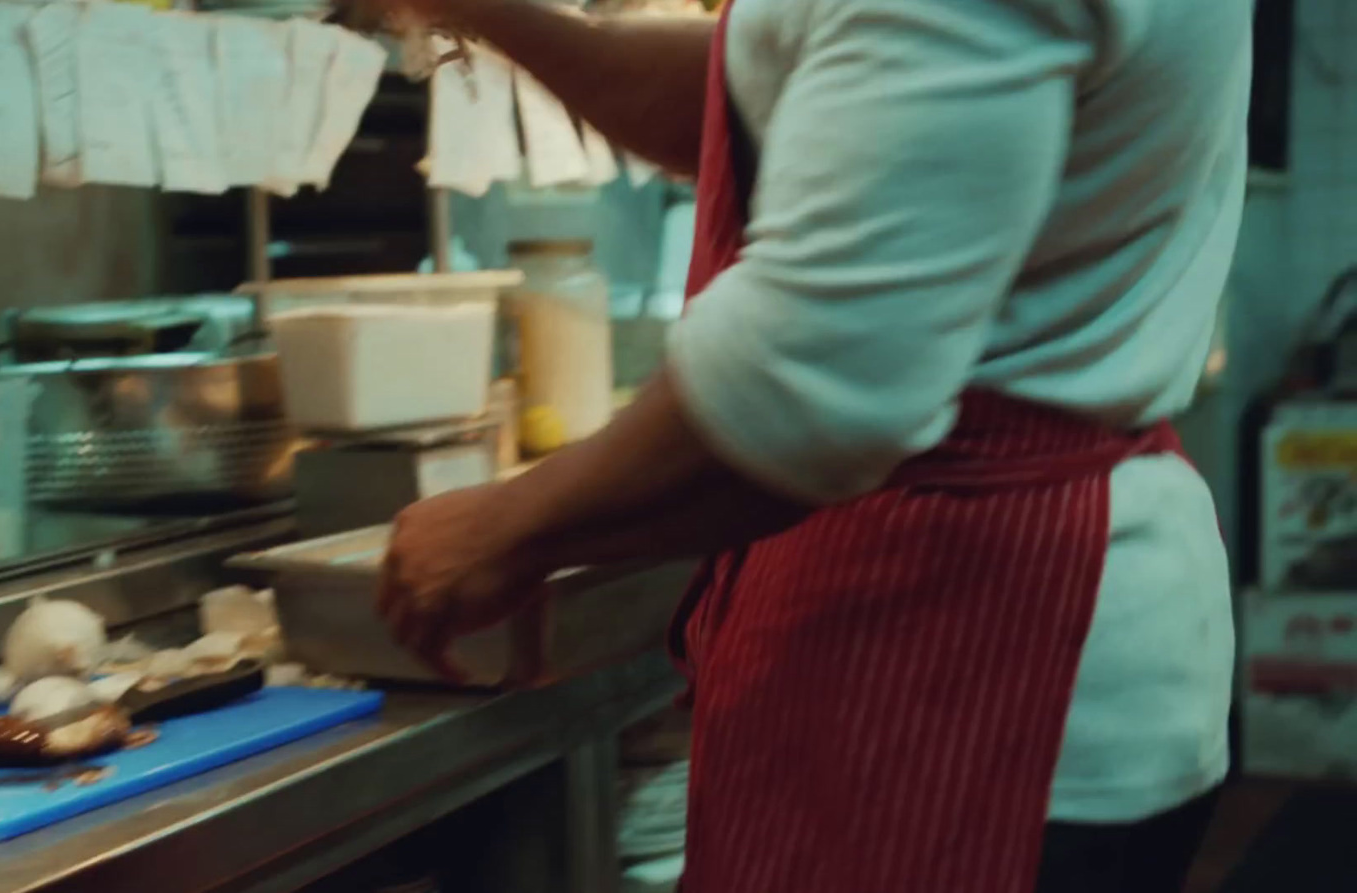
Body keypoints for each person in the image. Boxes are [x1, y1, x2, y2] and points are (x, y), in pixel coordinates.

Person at [374, 0, 1248, 890]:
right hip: (1020, 628)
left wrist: (510, 526)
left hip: (984, 666)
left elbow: (814, 378)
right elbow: (752, 93)